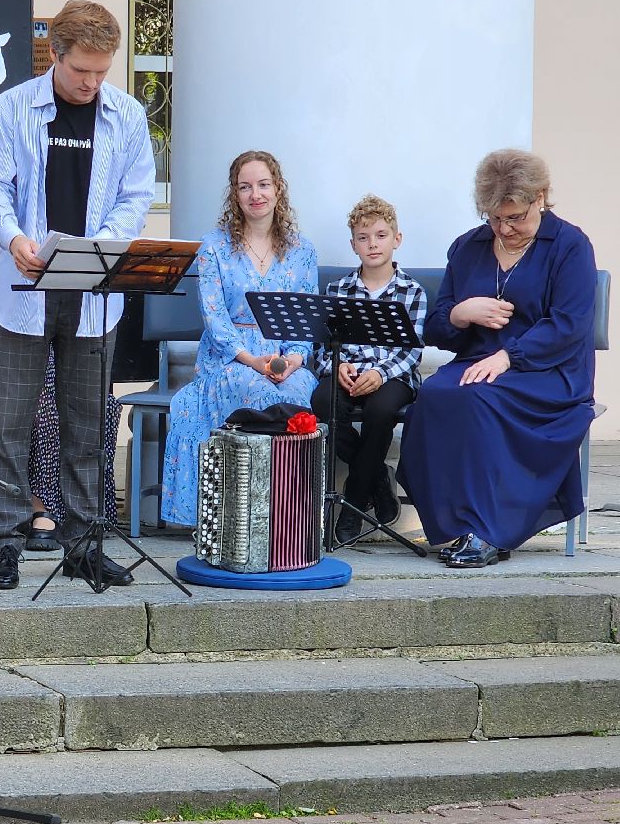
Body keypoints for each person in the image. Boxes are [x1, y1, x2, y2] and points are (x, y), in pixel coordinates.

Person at [0, 0, 156, 590]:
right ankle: (3, 543)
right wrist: (14, 236)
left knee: (87, 423)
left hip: (94, 290)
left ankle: (83, 542)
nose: (93, 82)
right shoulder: (12, 108)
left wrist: (101, 244)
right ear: (57, 54)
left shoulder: (126, 117)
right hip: (22, 285)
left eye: (103, 71)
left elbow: (136, 198)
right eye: (83, 71)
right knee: (10, 423)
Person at [398, 149, 596, 568]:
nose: (504, 229)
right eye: (494, 218)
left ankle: (487, 530)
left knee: (476, 399)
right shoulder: (467, 248)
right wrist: (460, 313)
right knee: (434, 394)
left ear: (540, 197)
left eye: (515, 218)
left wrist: (510, 356)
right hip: (478, 362)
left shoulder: (570, 246)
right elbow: (436, 327)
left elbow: (569, 324)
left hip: (549, 369)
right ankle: (453, 524)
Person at [0, 201, 122, 549]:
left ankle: (51, 507)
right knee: (7, 394)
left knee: (54, 396)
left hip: (45, 357)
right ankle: (24, 511)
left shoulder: (43, 255)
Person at [161, 150, 320, 528]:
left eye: (263, 185)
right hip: (231, 359)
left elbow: (306, 321)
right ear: (234, 194)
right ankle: (244, 512)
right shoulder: (214, 247)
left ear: (278, 189)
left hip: (284, 358)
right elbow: (215, 320)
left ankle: (286, 517)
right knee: (259, 391)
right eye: (245, 187)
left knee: (296, 396)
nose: (255, 195)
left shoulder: (302, 251)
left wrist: (294, 360)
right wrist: (253, 360)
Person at [309, 194, 427, 545]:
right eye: (363, 238)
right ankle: (378, 477)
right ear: (353, 244)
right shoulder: (337, 290)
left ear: (397, 239)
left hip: (394, 376)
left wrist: (380, 374)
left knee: (380, 411)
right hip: (348, 373)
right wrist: (337, 365)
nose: (372, 244)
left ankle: (353, 507)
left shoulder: (410, 291)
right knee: (323, 404)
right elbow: (321, 347)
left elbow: (412, 352)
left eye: (380, 235)